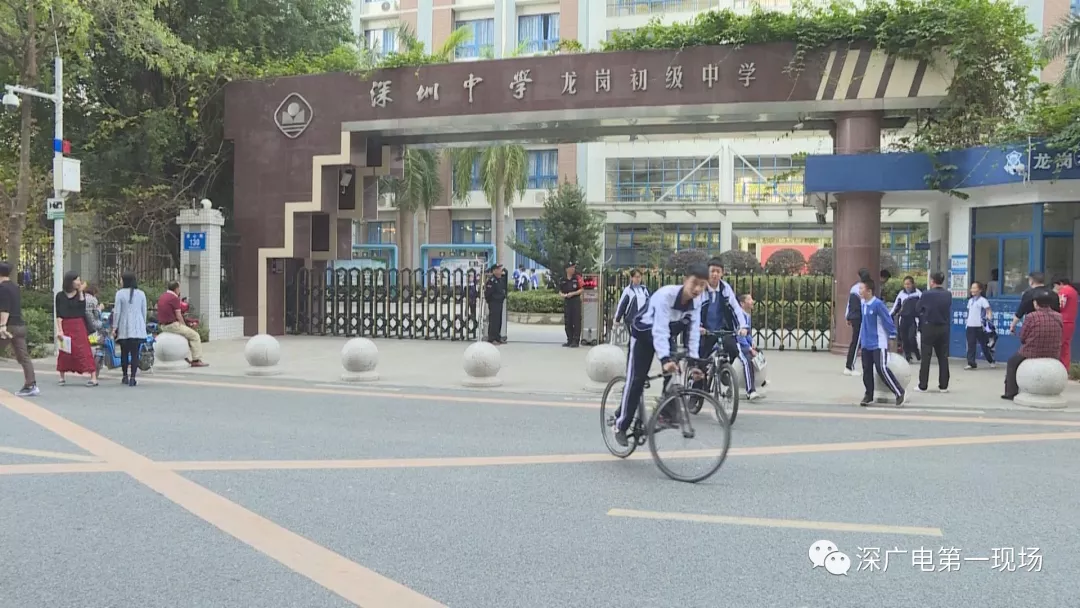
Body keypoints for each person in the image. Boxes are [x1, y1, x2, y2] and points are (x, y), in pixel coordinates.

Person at [613, 263, 709, 447]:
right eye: (694, 283)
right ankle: (621, 425)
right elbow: (659, 329)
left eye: (702, 285)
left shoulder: (696, 302)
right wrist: (664, 359)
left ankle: (664, 414)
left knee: (674, 372)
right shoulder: (665, 296)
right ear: (685, 281)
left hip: (665, 335)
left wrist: (694, 363)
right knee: (636, 380)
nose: (697, 289)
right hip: (644, 333)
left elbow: (693, 333)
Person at [1003, 291, 1063, 400]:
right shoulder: (1058, 316)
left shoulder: (1031, 316)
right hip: (1053, 352)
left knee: (1012, 362)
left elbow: (1023, 337)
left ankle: (1010, 392)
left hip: (1032, 352)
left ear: (1036, 303)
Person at [696, 259, 746, 390]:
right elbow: (695, 310)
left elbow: (736, 308)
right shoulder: (702, 289)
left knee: (733, 349)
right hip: (705, 330)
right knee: (701, 360)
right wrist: (698, 326)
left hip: (722, 329)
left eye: (718, 271)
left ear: (722, 273)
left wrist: (742, 326)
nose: (715, 274)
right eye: (712, 271)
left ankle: (724, 370)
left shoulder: (725, 289)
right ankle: (697, 392)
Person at [857, 278, 905, 407]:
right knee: (866, 370)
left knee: (881, 368)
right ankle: (868, 395)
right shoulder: (863, 303)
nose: (859, 291)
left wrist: (892, 335)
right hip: (866, 342)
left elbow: (887, 319)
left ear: (869, 291)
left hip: (878, 342)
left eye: (861, 288)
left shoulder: (878, 304)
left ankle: (898, 391)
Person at [0, 261, 38, 396]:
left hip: (8, 327)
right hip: (19, 325)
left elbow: (5, 308)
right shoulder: (15, 287)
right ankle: (31, 384)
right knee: (24, 357)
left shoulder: (2, 288)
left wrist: (2, 326)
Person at [55, 271, 99, 386]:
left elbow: (81, 308)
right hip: (66, 324)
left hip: (79, 324)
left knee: (84, 350)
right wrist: (60, 329)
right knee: (64, 351)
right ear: (70, 281)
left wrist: (80, 292)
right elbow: (59, 314)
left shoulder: (80, 294)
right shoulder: (60, 296)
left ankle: (93, 377)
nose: (79, 282)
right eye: (77, 280)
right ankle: (62, 376)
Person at [157, 281, 208, 367]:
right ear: (176, 289)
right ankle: (196, 359)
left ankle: (184, 357)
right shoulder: (174, 298)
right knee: (194, 336)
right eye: (179, 288)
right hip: (172, 325)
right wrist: (184, 325)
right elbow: (179, 315)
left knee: (185, 335)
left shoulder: (163, 296)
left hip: (163, 326)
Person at [916, 272, 952, 393]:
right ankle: (943, 385)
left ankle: (923, 385)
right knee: (943, 357)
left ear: (932, 281)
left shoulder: (926, 294)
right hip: (943, 328)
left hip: (929, 327)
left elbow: (918, 308)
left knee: (926, 357)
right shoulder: (948, 294)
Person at [112, 272, 149, 386]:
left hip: (124, 326)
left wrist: (114, 327)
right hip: (138, 327)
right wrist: (143, 324)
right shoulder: (141, 294)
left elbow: (117, 312)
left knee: (124, 352)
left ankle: (125, 376)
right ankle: (133, 377)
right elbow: (144, 311)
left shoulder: (120, 294)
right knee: (135, 353)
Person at [844, 268, 872, 375]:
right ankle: (849, 366)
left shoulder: (854, 288)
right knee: (856, 342)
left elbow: (849, 304)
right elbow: (864, 304)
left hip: (854, 317)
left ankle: (850, 365)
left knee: (856, 341)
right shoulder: (863, 288)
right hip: (860, 318)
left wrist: (847, 316)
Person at [890, 276, 922, 363]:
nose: (907, 286)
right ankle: (908, 356)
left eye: (908, 284)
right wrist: (890, 315)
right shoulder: (901, 294)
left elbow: (922, 307)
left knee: (911, 338)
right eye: (905, 284)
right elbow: (896, 306)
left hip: (913, 319)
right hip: (903, 319)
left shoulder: (918, 293)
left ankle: (916, 351)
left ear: (912, 284)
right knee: (904, 339)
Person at [735, 293, 760, 400]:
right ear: (742, 303)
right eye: (749, 299)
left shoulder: (747, 315)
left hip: (744, 343)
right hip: (737, 344)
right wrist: (749, 348)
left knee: (759, 353)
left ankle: (760, 380)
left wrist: (752, 342)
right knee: (747, 361)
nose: (752, 301)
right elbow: (739, 336)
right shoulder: (739, 316)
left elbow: (747, 333)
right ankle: (750, 391)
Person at [965, 281, 995, 370]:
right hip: (970, 326)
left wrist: (989, 320)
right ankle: (971, 363)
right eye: (972, 288)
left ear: (980, 290)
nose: (972, 290)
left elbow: (988, 311)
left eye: (975, 288)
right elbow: (969, 313)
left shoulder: (983, 300)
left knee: (984, 345)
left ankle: (991, 360)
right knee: (971, 345)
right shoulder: (970, 301)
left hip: (980, 326)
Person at [1052, 275, 1078, 370]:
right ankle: (1065, 368)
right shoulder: (1074, 291)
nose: (1055, 288)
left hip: (1063, 322)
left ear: (1060, 283)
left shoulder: (1064, 291)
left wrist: (1055, 295)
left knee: (1057, 346)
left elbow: (1061, 305)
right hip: (1070, 321)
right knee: (1066, 347)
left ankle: (1056, 368)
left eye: (1055, 286)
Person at [613, 269, 649, 337]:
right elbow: (622, 305)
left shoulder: (644, 290)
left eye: (639, 277)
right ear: (632, 278)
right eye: (635, 277)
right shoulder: (628, 290)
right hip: (631, 319)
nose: (637, 279)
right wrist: (617, 318)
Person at [559, 262, 584, 348]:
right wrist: (562, 295)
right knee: (568, 321)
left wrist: (573, 293)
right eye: (571, 267)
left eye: (574, 267)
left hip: (575, 301)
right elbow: (560, 291)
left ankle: (576, 340)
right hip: (567, 301)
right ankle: (569, 340)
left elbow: (582, 289)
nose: (573, 269)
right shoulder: (562, 279)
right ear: (567, 269)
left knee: (576, 321)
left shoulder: (577, 277)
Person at [483, 264, 506, 344]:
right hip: (494, 303)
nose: (500, 270)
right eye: (498, 269)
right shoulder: (491, 281)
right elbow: (488, 294)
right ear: (494, 271)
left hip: (499, 303)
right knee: (493, 321)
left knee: (498, 321)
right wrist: (491, 301)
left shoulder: (500, 280)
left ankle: (497, 337)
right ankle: (492, 338)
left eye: (500, 269)